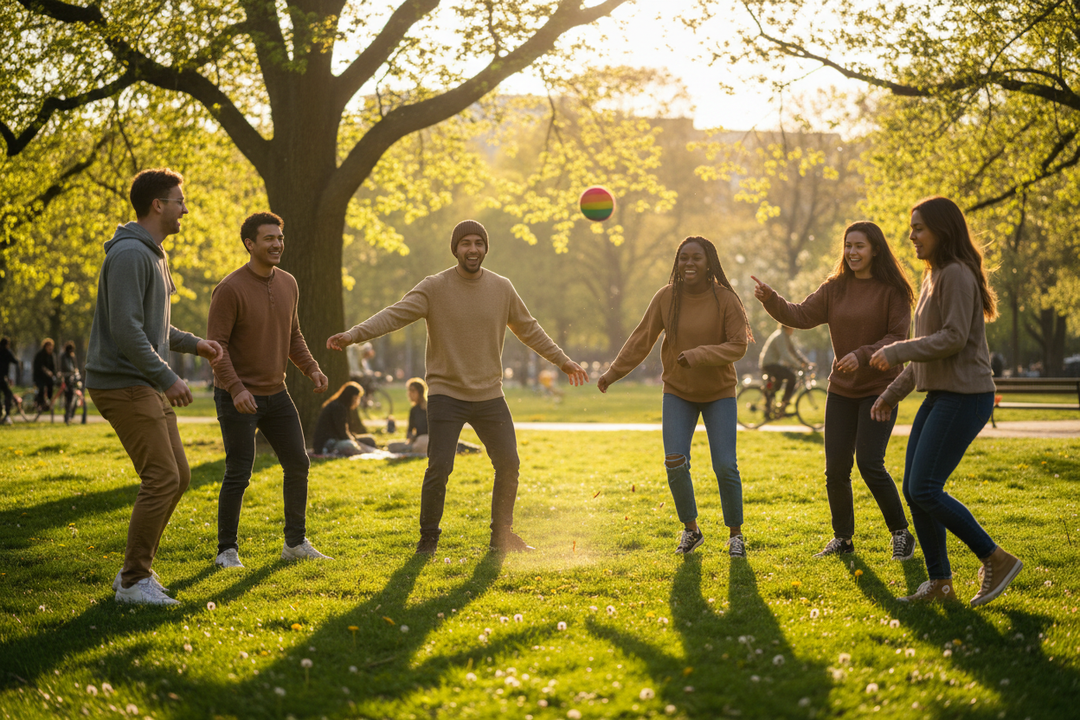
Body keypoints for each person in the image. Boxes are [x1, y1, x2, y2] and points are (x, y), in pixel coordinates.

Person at [327, 219, 589, 554]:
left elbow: (529, 329)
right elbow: (394, 314)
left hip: (489, 395)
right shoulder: (434, 287)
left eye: (479, 243)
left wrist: (563, 361)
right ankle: (429, 539)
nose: (473, 249)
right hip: (446, 395)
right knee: (439, 467)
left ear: (485, 248)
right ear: (456, 249)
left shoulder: (502, 288)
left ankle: (502, 536)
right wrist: (353, 335)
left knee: (509, 464)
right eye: (465, 243)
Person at [870, 196, 1022, 607]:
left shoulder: (956, 274)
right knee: (914, 489)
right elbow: (926, 357)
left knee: (925, 487)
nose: (912, 236)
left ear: (942, 230)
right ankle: (940, 582)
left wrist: (898, 350)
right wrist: (890, 393)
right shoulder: (934, 276)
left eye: (919, 228)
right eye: (911, 227)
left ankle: (996, 558)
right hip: (941, 394)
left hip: (967, 395)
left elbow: (952, 338)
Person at [86, 167, 223, 605]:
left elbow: (155, 327)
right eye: (180, 200)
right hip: (124, 382)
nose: (186, 208)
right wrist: (167, 377)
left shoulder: (153, 254)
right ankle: (132, 580)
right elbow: (126, 331)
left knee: (178, 476)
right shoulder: (129, 255)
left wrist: (195, 344)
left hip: (142, 380)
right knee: (162, 476)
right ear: (158, 205)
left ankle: (136, 574)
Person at [752, 221, 917, 560]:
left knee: (871, 463)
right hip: (842, 390)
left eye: (859, 246)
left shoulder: (894, 290)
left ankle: (901, 532)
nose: (852, 252)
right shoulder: (834, 288)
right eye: (848, 246)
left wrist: (861, 355)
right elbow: (799, 315)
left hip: (879, 387)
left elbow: (897, 338)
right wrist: (771, 299)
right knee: (836, 469)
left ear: (875, 249)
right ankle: (843, 538)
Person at [597, 236, 753, 558]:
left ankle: (735, 534)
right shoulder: (666, 298)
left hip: (719, 393)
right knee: (675, 461)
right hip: (678, 391)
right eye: (683, 258)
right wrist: (612, 373)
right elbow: (641, 339)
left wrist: (700, 355)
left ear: (709, 262)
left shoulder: (725, 299)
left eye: (696, 258)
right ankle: (691, 530)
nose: (689, 264)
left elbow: (739, 345)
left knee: (725, 465)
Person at [207, 212, 331, 570]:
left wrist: (311, 368)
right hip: (237, 396)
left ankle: (294, 543)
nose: (277, 244)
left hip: (277, 394)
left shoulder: (289, 283)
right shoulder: (229, 289)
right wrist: (235, 388)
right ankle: (226, 550)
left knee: (297, 462)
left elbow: (293, 334)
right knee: (239, 471)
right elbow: (217, 346)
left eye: (280, 238)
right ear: (250, 244)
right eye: (269, 239)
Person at [313, 381, 378, 456]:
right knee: (350, 445)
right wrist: (355, 441)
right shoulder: (337, 408)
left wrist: (354, 438)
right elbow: (342, 432)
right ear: (349, 397)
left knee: (369, 440)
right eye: (355, 398)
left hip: (339, 439)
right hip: (328, 443)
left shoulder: (343, 407)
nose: (356, 401)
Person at [758, 324, 808, 412]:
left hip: (773, 363)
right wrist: (798, 365)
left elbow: (793, 351)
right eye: (793, 327)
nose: (794, 329)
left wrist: (804, 362)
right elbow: (785, 354)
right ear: (788, 326)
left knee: (778, 384)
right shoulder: (780, 336)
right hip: (769, 364)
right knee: (792, 377)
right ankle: (784, 403)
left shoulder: (785, 336)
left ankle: (771, 405)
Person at [387, 377, 431, 455]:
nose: (409, 393)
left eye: (412, 391)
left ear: (420, 392)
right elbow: (410, 430)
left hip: (426, 440)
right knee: (391, 445)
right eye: (409, 390)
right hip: (417, 441)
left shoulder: (430, 408)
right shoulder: (414, 410)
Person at [59, 341, 80, 423]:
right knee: (68, 398)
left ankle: (69, 415)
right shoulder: (64, 357)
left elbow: (75, 367)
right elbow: (63, 368)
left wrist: (76, 374)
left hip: (73, 379)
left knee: (74, 398)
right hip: (67, 380)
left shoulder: (72, 357)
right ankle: (67, 416)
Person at [32, 338, 56, 410]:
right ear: (45, 347)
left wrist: (54, 373)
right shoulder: (40, 355)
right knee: (41, 388)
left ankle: (47, 402)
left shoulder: (51, 356)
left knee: (51, 385)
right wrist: (46, 371)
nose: (50, 348)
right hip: (39, 376)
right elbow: (38, 366)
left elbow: (53, 367)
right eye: (49, 347)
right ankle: (39, 403)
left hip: (47, 378)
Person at [0, 337, 19, 423]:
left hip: (2, 377)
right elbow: (15, 361)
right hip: (2, 377)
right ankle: (7, 414)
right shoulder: (7, 352)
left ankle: (0, 412)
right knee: (8, 394)